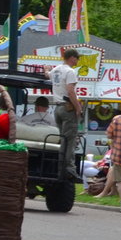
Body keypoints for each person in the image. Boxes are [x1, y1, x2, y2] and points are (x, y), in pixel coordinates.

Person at [49, 47, 83, 179]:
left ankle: (60, 167)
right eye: (77, 58)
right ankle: (69, 168)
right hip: (67, 107)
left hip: (57, 107)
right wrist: (78, 107)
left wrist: (46, 70)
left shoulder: (56, 69)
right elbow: (70, 91)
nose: (77, 61)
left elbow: (48, 75)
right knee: (70, 140)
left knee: (63, 139)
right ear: (72, 57)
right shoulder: (70, 72)